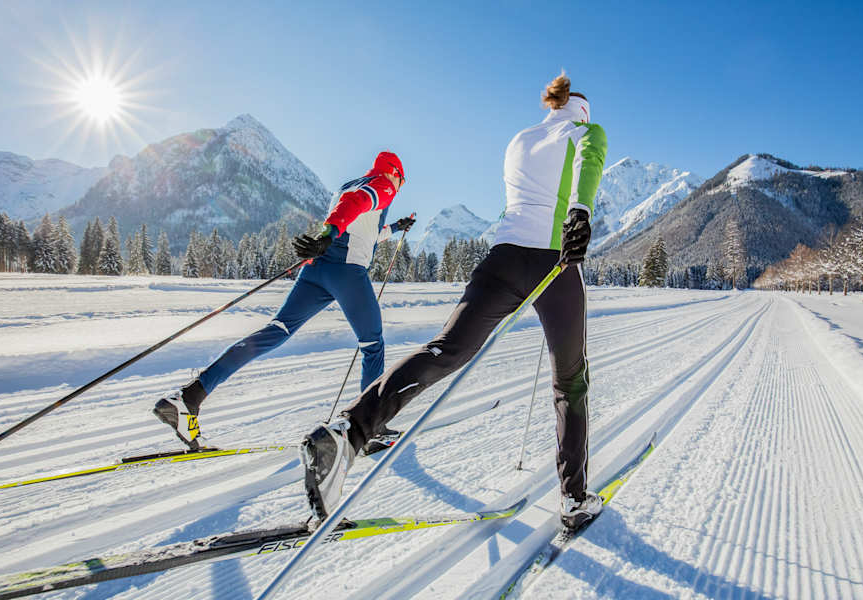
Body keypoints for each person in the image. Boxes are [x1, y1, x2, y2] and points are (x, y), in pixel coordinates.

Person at [301, 74, 608, 529]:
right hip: (556, 263)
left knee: (446, 349)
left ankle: (349, 432)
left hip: (502, 259)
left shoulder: (520, 140)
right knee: (570, 380)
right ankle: (575, 498)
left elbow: (518, 202)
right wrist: (580, 214)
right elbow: (590, 164)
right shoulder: (587, 131)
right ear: (581, 110)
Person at [153, 151, 415, 451]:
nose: (400, 185)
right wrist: (328, 233)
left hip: (316, 270)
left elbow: (361, 226)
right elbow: (355, 204)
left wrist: (395, 227)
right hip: (347, 271)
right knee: (373, 345)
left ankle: (190, 396)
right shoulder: (382, 184)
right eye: (402, 179)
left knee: (275, 331)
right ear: (393, 171)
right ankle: (370, 427)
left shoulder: (349, 183)